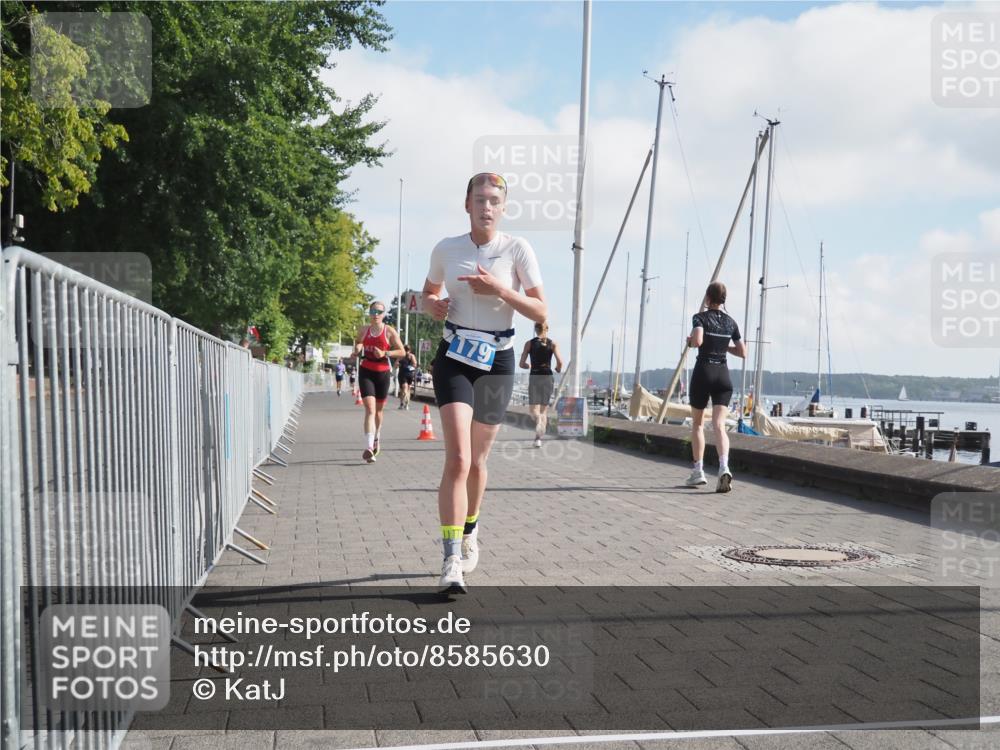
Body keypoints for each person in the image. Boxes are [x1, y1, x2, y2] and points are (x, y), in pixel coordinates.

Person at [423, 172, 546, 593]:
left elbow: (540, 312)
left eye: (494, 200)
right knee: (457, 459)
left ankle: (471, 529)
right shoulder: (447, 249)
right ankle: (451, 558)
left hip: (498, 359)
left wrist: (499, 289)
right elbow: (427, 296)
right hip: (454, 357)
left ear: (504, 207)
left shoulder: (516, 250)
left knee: (477, 462)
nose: (486, 206)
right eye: (479, 199)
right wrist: (432, 306)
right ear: (467, 204)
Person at [685, 281, 747, 492]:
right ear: (724, 299)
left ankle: (698, 471)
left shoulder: (699, 317)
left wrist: (690, 341)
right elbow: (742, 352)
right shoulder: (731, 323)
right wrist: (724, 347)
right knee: (719, 425)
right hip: (723, 375)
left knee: (698, 424)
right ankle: (724, 467)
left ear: (708, 298)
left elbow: (698, 341)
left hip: (704, 371)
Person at [354, 302, 405, 463]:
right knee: (370, 408)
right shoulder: (363, 330)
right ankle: (369, 447)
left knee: (378, 411)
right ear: (369, 313)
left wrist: (385, 352)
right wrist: (357, 349)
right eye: (373, 311)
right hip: (366, 370)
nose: (375, 314)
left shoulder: (389, 331)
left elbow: (402, 352)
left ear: (383, 314)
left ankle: (376, 437)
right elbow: (358, 342)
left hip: (382, 372)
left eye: (379, 311)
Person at [519, 322, 563, 447]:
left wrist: (529, 365)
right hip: (548, 378)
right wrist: (558, 369)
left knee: (534, 411)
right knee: (544, 411)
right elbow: (560, 362)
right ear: (547, 329)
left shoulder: (529, 344)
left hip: (535, 377)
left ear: (535, 329)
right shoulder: (553, 343)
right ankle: (538, 439)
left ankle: (538, 421)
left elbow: (521, 364)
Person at [397, 345, 418, 409]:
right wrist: (410, 367)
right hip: (409, 374)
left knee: (404, 389)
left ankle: (403, 403)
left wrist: (400, 365)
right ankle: (406, 404)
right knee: (407, 389)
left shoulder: (401, 355)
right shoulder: (411, 356)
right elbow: (415, 365)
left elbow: (396, 364)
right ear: (410, 350)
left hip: (403, 374)